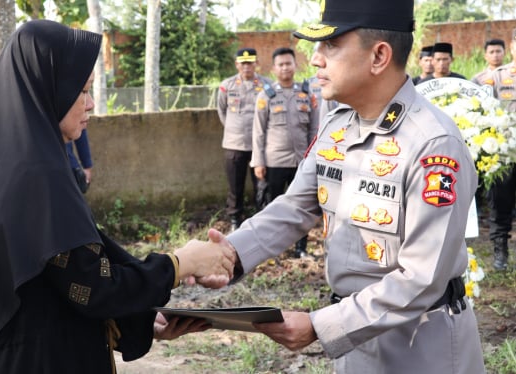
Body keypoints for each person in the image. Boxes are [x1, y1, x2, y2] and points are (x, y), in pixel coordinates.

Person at [198, 0, 486, 372]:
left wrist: (321, 326)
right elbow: (295, 208)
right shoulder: (338, 125)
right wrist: (228, 255)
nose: (315, 59)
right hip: (353, 336)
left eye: (330, 46)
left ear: (379, 56)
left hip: (419, 343)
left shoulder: (432, 144)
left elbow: (422, 277)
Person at [0, 20, 235, 374]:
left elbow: (64, 279)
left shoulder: (14, 168)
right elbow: (92, 287)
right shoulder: (35, 177)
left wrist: (142, 317)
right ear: (49, 89)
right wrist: (180, 263)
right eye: (83, 90)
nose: (91, 104)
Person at [251, 47, 318, 258]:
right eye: (280, 64)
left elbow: (315, 130)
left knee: (302, 207)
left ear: (295, 65)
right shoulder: (266, 95)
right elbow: (258, 132)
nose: (285, 67)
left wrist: (313, 159)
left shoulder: (307, 94)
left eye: (288, 63)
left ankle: (301, 248)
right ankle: (274, 248)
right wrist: (258, 162)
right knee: (274, 207)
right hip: (275, 161)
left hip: (302, 162)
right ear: (274, 69)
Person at [217, 48, 273, 231]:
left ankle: (261, 219)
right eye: (243, 63)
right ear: (237, 65)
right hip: (235, 144)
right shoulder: (227, 86)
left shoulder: (267, 85)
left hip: (261, 145)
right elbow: (222, 112)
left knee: (262, 185)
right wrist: (235, 129)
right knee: (235, 184)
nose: (246, 67)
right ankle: (235, 218)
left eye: (250, 63)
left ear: (256, 63)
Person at [486, 29, 516, 270]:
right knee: (500, 203)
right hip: (504, 154)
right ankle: (500, 254)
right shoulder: (497, 77)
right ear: (512, 46)